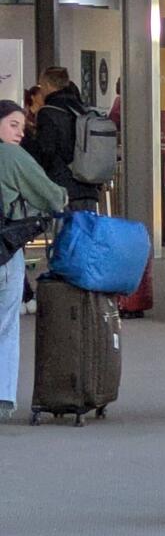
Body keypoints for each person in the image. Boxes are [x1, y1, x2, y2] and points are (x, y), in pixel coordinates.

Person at [0, 100, 66, 421]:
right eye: (13, 125)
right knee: (5, 326)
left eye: (23, 128)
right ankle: (2, 397)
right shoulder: (11, 156)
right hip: (5, 252)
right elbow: (51, 195)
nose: (20, 133)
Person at [26, 66, 101, 211]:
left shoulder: (48, 112)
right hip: (89, 186)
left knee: (65, 232)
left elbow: (46, 151)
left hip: (63, 188)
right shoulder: (83, 110)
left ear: (47, 85)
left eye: (41, 86)